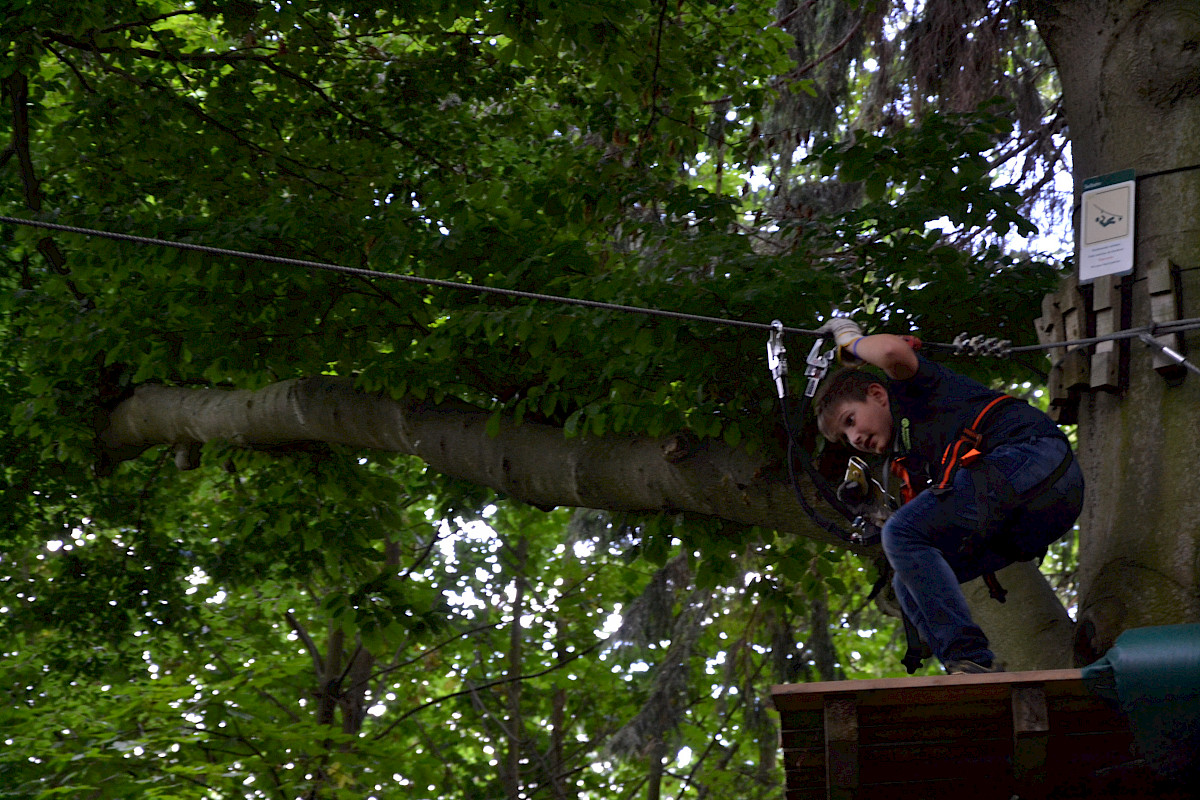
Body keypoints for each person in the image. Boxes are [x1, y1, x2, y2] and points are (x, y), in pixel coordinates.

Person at [813, 318, 1084, 674]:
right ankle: (965, 668)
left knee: (903, 533)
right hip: (1040, 509)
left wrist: (848, 338)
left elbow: (892, 351)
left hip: (1034, 458)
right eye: (844, 438)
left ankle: (969, 656)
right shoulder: (918, 462)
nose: (855, 440)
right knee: (906, 581)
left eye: (850, 421)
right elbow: (924, 545)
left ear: (877, 396)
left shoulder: (913, 391)